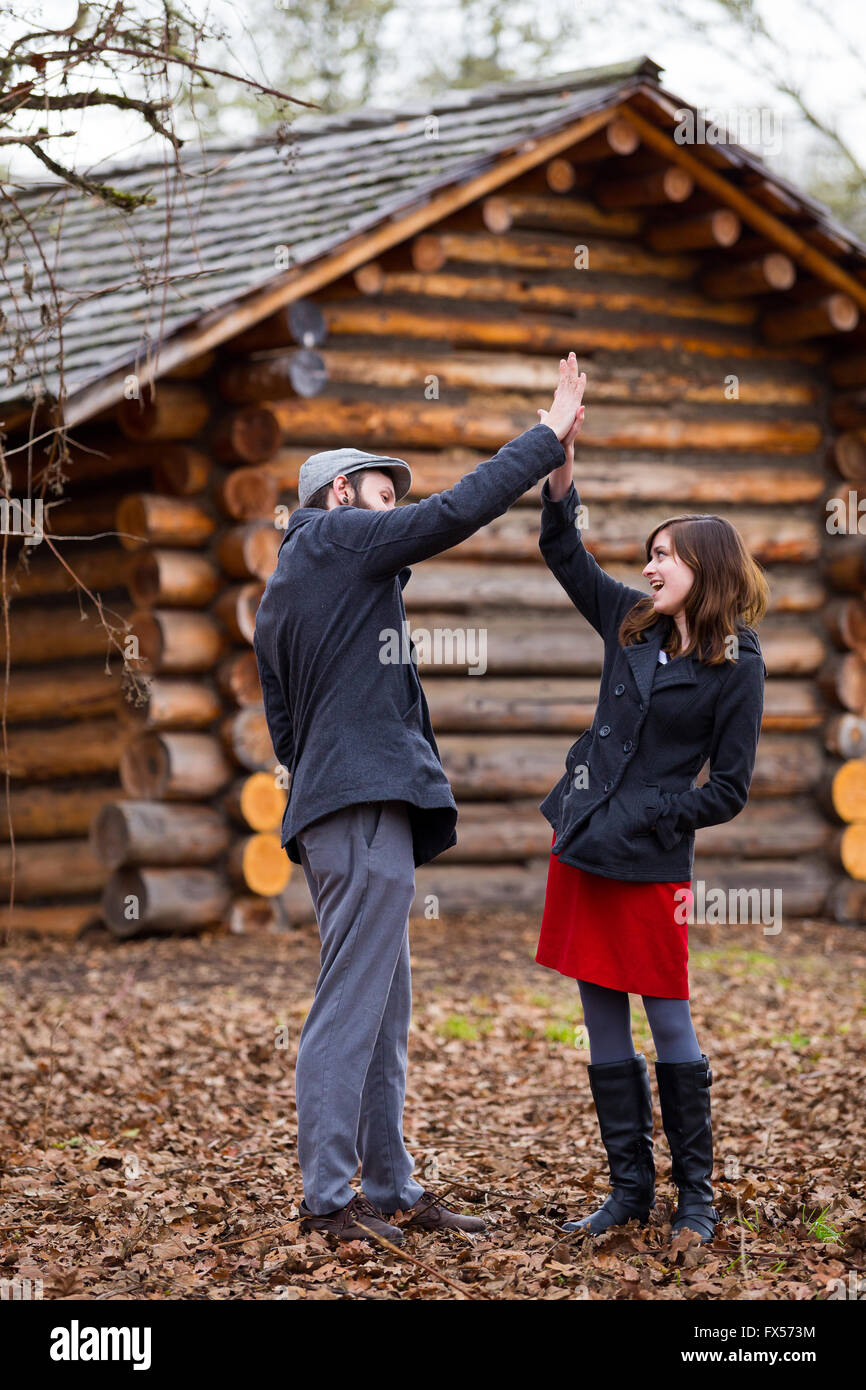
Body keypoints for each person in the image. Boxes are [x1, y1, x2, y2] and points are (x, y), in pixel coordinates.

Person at [254, 354, 586, 1248]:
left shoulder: (294, 589)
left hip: (341, 809)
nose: (391, 500)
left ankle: (392, 1186)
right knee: (350, 1007)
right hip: (358, 811)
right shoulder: (331, 541)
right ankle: (328, 1201)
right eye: (376, 486)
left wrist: (334, 782)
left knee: (381, 1010)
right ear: (336, 498)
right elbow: (455, 512)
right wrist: (546, 435)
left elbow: (285, 726)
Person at [533, 385, 769, 1245]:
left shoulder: (737, 664)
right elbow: (566, 553)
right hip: (583, 844)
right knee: (599, 1012)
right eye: (649, 552)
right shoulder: (629, 623)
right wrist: (561, 464)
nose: (653, 564)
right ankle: (628, 1193)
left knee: (668, 1011)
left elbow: (730, 790)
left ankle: (696, 1201)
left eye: (667, 554)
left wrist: (653, 815)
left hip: (653, 857)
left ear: (707, 566)